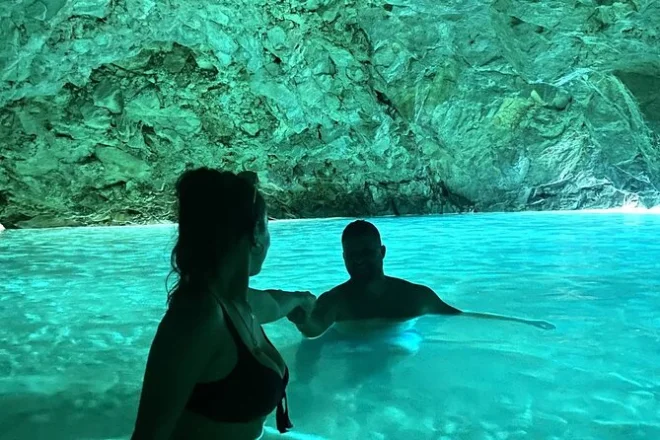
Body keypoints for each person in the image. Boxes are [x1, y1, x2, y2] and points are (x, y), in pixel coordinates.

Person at [131, 168, 315, 440]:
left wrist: (302, 300)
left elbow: (275, 303)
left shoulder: (238, 303)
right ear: (256, 233)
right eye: (268, 225)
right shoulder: (200, 316)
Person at [288, 219, 555, 339]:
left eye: (367, 253)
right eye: (352, 255)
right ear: (343, 257)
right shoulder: (335, 301)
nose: (359, 261)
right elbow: (314, 329)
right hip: (347, 352)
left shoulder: (414, 296)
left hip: (398, 347)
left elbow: (459, 316)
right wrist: (302, 321)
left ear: (382, 252)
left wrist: (523, 323)